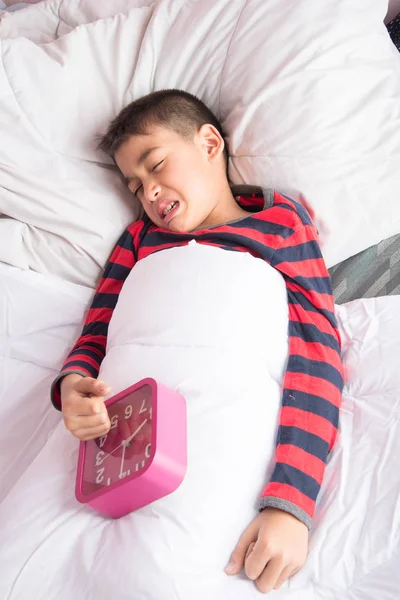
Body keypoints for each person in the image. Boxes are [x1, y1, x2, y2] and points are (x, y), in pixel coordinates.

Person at [50, 89, 344, 595]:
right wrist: (73, 383)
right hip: (119, 434)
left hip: (220, 419)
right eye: (135, 185)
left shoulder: (280, 225)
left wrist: (289, 503)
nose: (148, 193)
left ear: (210, 144)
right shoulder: (137, 240)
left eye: (157, 165)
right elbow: (98, 328)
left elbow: (317, 354)